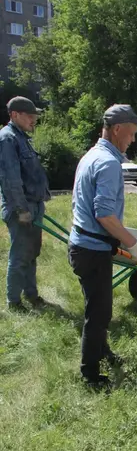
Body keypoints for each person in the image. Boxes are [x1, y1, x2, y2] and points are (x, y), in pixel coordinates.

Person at [68, 104, 137, 389]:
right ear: (117, 129)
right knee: (99, 313)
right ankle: (90, 374)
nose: (133, 138)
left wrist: (113, 242)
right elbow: (103, 214)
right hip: (91, 250)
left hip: (85, 245)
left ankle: (102, 352)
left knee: (98, 305)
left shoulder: (91, 155)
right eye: (131, 133)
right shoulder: (108, 163)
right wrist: (133, 244)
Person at [0, 96, 51, 311]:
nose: (34, 120)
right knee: (20, 255)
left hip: (34, 205)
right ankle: (14, 302)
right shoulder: (7, 139)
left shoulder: (22, 138)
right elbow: (10, 179)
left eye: (35, 116)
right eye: (30, 116)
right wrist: (21, 209)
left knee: (32, 254)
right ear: (14, 115)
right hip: (21, 207)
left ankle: (32, 295)